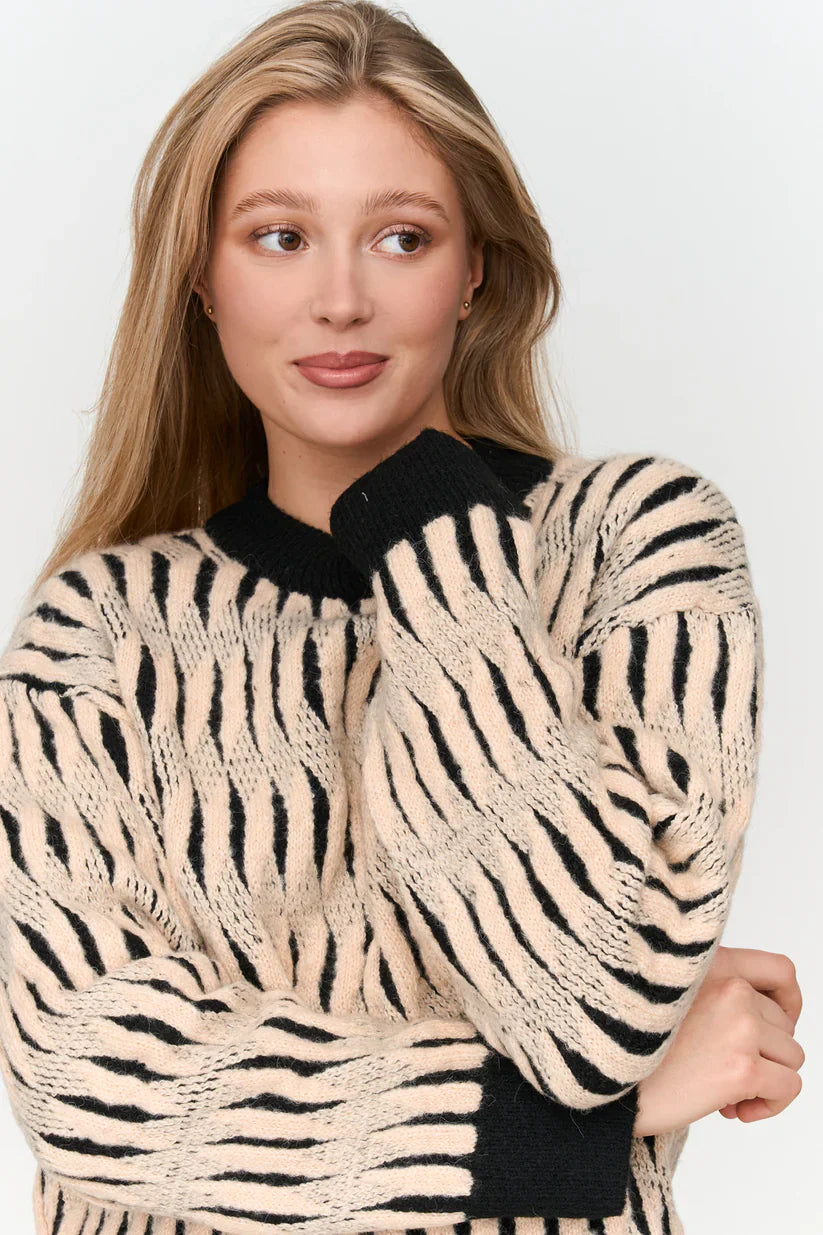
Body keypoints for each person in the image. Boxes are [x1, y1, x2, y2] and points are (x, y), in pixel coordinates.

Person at [0, 2, 804, 1234]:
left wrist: (431, 532)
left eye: (400, 237)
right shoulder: (96, 634)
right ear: (201, 277)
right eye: (279, 237)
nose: (340, 300)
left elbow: (592, 1012)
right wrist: (580, 1129)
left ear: (475, 266)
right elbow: (95, 1084)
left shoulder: (638, 543)